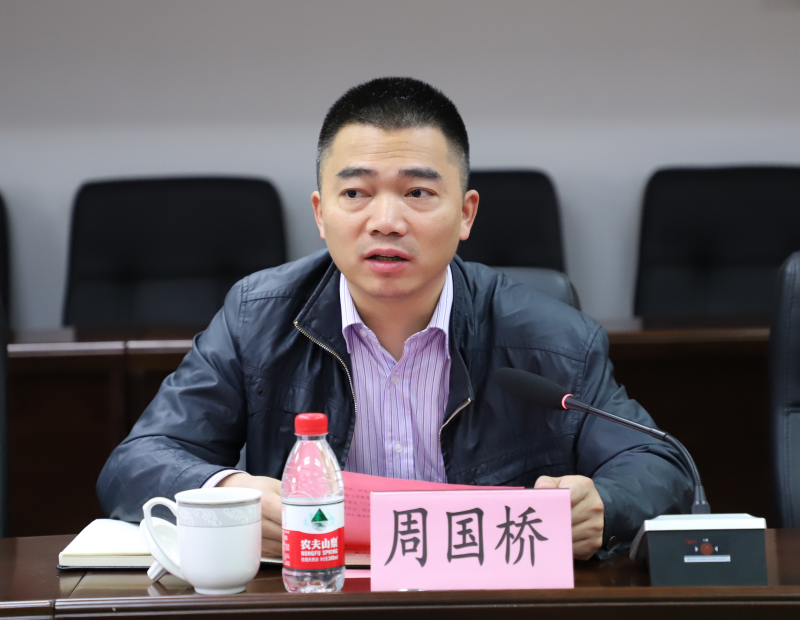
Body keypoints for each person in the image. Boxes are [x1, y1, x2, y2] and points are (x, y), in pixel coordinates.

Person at [98, 77, 692, 560]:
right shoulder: (257, 320)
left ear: (466, 213)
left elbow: (659, 464)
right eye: (355, 193)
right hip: (319, 600)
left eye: (418, 193)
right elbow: (136, 463)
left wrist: (604, 505)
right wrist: (229, 491)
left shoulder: (554, 339)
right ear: (321, 214)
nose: (386, 221)